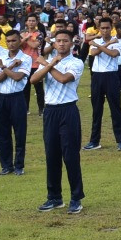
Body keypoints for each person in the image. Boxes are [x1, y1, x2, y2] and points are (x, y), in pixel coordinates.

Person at [32, 30, 86, 214]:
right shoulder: (50, 61)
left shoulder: (76, 62)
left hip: (68, 110)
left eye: (65, 41)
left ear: (72, 44)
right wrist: (49, 64)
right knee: (51, 155)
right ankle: (54, 197)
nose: (61, 44)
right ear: (53, 44)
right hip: (50, 111)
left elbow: (64, 79)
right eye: (58, 41)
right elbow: (33, 79)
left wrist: (47, 64)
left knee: (70, 155)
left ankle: (76, 198)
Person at [84, 17, 121, 152]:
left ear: (111, 28)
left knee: (116, 109)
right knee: (97, 110)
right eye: (102, 28)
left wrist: (102, 46)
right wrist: (104, 45)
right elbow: (94, 53)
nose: (105, 30)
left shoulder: (117, 42)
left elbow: (113, 54)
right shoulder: (97, 41)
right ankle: (94, 141)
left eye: (107, 28)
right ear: (99, 29)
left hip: (111, 76)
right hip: (97, 76)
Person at [0, 30, 31, 176]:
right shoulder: (1, 58)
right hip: (1, 97)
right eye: (8, 41)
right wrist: (9, 66)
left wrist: (3, 67)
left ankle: (19, 165)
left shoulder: (26, 58)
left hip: (17, 98)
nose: (11, 44)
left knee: (19, 132)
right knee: (2, 133)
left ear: (20, 41)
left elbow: (17, 77)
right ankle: (6, 165)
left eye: (14, 40)